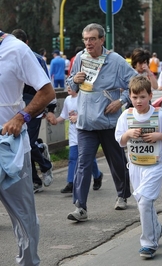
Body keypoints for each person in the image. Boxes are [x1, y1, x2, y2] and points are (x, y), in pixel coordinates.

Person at [65, 23, 136, 222]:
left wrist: (121, 101)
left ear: (102, 40)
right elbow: (71, 84)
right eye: (86, 39)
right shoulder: (80, 58)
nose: (88, 43)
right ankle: (80, 207)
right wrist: (75, 81)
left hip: (108, 122)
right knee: (83, 163)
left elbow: (136, 82)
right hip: (86, 122)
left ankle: (122, 195)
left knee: (117, 161)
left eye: (92, 39)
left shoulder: (116, 60)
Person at [0, 29, 55, 266]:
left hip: (8, 146)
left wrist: (21, 116)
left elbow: (47, 91)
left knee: (23, 216)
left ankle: (29, 263)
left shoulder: (16, 49)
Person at [115, 76, 162, 259]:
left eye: (142, 97)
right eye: (135, 97)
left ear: (150, 95)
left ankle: (149, 243)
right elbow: (119, 140)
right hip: (135, 166)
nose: (138, 101)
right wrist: (128, 133)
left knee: (145, 202)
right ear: (129, 97)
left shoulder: (159, 115)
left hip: (155, 165)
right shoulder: (126, 115)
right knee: (143, 203)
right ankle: (157, 228)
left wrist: (159, 136)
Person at [11, 29, 56, 193]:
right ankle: (35, 180)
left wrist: (50, 108)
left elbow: (46, 86)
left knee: (27, 142)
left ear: (26, 44)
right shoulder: (8, 56)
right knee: (21, 145)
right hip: (16, 105)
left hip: (33, 104)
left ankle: (46, 165)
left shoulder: (36, 58)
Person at [48, 85, 104, 193]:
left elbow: (90, 114)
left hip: (85, 134)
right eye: (67, 85)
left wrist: (78, 117)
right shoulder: (67, 100)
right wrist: (55, 120)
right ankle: (71, 183)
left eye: (71, 86)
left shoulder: (83, 98)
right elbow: (64, 115)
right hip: (73, 136)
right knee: (73, 158)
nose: (68, 88)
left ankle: (97, 175)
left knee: (88, 159)